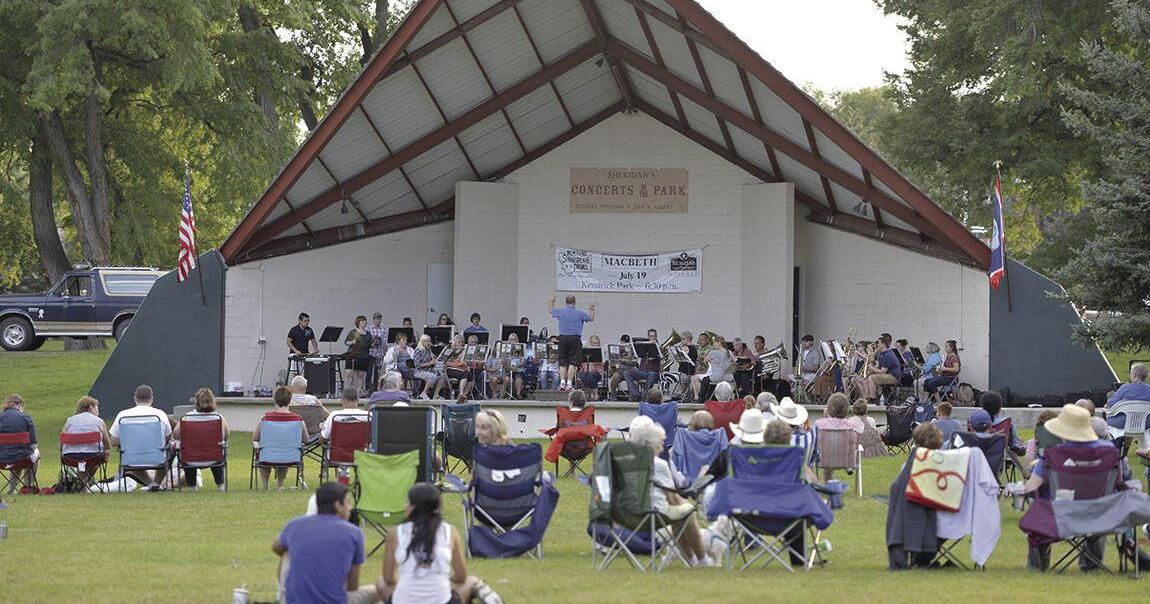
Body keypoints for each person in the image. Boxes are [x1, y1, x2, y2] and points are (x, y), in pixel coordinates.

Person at [1009, 405, 1122, 571]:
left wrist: (1016, 489)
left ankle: (1037, 565)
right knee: (1097, 501)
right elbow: (1119, 482)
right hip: (1100, 514)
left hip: (1060, 515)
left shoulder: (1054, 454)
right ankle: (1091, 563)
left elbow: (1031, 487)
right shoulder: (1109, 451)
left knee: (1037, 506)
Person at [376, 483, 500, 604]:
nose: (405, 506)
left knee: (381, 582)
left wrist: (407, 579)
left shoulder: (395, 533)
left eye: (408, 502)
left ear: (413, 507)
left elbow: (388, 578)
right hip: (443, 600)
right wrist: (444, 578)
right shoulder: (449, 531)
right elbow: (461, 576)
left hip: (403, 600)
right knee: (471, 581)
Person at [273, 482, 377, 604]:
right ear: (338, 505)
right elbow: (352, 586)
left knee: (286, 551)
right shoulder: (354, 533)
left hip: (294, 600)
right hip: (335, 600)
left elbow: (276, 547)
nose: (350, 507)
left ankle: (281, 595)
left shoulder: (295, 525)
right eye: (348, 502)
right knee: (379, 589)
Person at [630, 420, 713, 566]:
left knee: (680, 514)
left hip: (627, 513)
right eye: (660, 441)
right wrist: (687, 504)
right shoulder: (659, 464)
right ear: (651, 443)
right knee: (685, 512)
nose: (663, 445)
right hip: (654, 513)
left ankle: (692, 559)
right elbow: (672, 498)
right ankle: (702, 560)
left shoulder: (625, 462)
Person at [109, 385, 172, 490]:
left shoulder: (123, 415)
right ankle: (155, 485)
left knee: (130, 458)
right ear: (152, 398)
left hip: (131, 457)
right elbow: (168, 436)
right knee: (170, 453)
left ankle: (152, 485)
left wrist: (131, 442)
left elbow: (114, 441)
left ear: (135, 398)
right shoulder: (160, 414)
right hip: (156, 456)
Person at [173, 388, 230, 491]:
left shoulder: (187, 417)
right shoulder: (218, 418)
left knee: (185, 450)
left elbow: (176, 434)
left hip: (190, 458)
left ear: (196, 402)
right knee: (220, 447)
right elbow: (227, 435)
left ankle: (192, 487)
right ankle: (220, 485)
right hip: (214, 458)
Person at [254, 386, 307, 490]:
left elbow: (255, 438)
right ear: (290, 400)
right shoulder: (298, 420)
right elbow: (305, 439)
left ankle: (265, 486)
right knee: (285, 453)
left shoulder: (265, 419)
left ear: (275, 400)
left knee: (262, 453)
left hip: (267, 457)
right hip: (290, 457)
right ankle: (280, 484)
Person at [548, 294, 595, 391]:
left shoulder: (561, 312)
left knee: (562, 363)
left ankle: (562, 383)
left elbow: (550, 310)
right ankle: (569, 384)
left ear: (566, 302)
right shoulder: (579, 313)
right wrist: (592, 308)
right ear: (575, 302)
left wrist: (551, 301)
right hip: (575, 338)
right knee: (573, 363)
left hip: (563, 338)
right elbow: (591, 318)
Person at [61, 395, 111, 483]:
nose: (98, 410)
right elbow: (106, 443)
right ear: (91, 407)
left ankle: (81, 483)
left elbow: (62, 440)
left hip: (70, 457)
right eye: (97, 407)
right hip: (93, 456)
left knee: (85, 459)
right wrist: (107, 449)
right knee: (100, 456)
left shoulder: (69, 421)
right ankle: (83, 483)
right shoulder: (98, 421)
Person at [813, 393, 855, 481]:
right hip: (845, 460)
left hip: (823, 460)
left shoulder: (819, 423)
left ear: (829, 408)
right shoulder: (850, 425)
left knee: (826, 449)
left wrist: (825, 418)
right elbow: (853, 443)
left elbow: (814, 440)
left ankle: (827, 483)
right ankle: (846, 468)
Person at [0, 394, 38, 492]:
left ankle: (11, 489)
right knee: (33, 454)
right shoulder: (26, 417)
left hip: (1, 459)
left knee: (16, 456)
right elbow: (33, 445)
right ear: (19, 405)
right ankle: (28, 486)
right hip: (20, 457)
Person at [1106, 362, 1150, 432]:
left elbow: (1110, 405)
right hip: (1145, 423)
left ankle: (1118, 441)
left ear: (1134, 375)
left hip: (1124, 423)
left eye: (1131, 373)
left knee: (1109, 417)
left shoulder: (1125, 388)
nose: (1130, 375)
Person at [691, 336, 734, 402]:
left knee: (704, 381)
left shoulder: (713, 352)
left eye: (714, 343)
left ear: (719, 343)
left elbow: (705, 360)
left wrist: (708, 353)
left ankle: (701, 400)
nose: (713, 345)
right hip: (729, 377)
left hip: (718, 377)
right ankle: (711, 399)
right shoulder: (729, 352)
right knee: (710, 383)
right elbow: (734, 362)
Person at [344, 315, 373, 396]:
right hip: (353, 355)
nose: (365, 323)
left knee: (360, 375)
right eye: (363, 321)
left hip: (364, 356)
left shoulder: (368, 334)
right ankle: (346, 393)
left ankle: (358, 393)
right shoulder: (353, 332)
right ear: (359, 322)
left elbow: (370, 345)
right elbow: (346, 342)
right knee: (349, 373)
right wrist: (352, 342)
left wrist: (374, 344)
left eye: (365, 321)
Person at [625, 336, 660, 402]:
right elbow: (631, 356)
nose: (652, 338)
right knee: (627, 372)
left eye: (653, 336)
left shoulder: (657, 348)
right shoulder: (643, 347)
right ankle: (636, 394)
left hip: (653, 372)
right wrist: (632, 346)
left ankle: (645, 395)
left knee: (652, 374)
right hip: (642, 372)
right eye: (650, 336)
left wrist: (651, 347)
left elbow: (651, 358)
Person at [413, 334, 447, 400]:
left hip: (429, 370)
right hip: (420, 371)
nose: (429, 343)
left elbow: (432, 362)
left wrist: (435, 360)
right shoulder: (418, 350)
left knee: (442, 376)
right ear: (422, 342)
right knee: (433, 376)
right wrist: (429, 363)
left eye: (429, 341)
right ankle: (424, 393)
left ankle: (436, 394)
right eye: (427, 341)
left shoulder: (428, 350)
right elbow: (417, 365)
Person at [608, 335, 637, 401]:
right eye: (623, 341)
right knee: (615, 377)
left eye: (625, 341)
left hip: (630, 370)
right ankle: (612, 394)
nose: (624, 343)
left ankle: (632, 396)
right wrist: (614, 361)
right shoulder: (616, 349)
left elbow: (634, 363)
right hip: (619, 370)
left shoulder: (632, 350)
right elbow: (612, 363)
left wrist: (626, 360)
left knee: (629, 376)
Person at [443, 334, 471, 398]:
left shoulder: (464, 351)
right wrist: (459, 364)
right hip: (450, 370)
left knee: (470, 376)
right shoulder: (450, 350)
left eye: (461, 342)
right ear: (454, 342)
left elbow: (465, 363)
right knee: (464, 374)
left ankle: (465, 394)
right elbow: (446, 363)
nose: (460, 344)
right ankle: (461, 393)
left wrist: (461, 363)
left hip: (460, 369)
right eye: (458, 342)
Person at [367, 312, 388, 388]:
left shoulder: (383, 329)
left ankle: (376, 388)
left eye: (380, 319)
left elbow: (385, 342)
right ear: (374, 319)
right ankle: (367, 388)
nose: (379, 321)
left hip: (380, 354)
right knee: (369, 372)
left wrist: (386, 352)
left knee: (377, 372)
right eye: (377, 319)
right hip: (371, 353)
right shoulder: (369, 329)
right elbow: (367, 341)